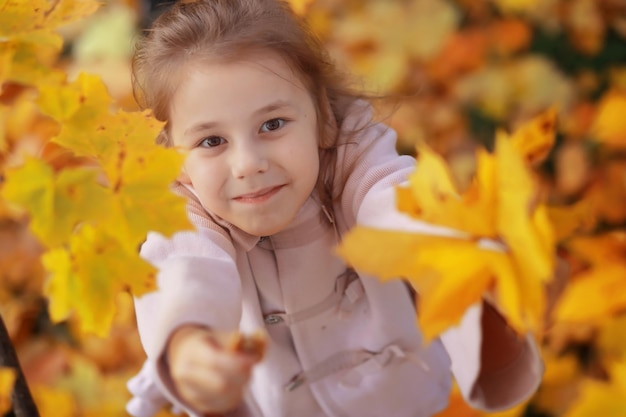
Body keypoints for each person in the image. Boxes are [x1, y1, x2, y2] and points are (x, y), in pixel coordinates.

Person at [125, 0, 544, 416]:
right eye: (211, 141)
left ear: (323, 117)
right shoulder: (184, 212)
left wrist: (450, 253)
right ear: (173, 159)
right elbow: (184, 272)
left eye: (272, 125)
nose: (248, 163)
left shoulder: (356, 163)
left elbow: (397, 206)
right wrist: (188, 343)